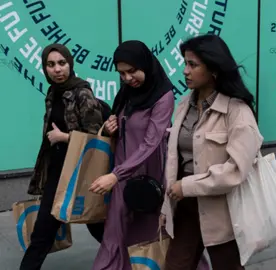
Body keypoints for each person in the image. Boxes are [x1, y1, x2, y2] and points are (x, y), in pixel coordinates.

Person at [160, 34, 263, 270]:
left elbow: (236, 171)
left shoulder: (237, 111)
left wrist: (186, 186)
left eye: (193, 65)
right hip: (185, 207)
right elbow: (175, 159)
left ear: (214, 69)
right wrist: (168, 204)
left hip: (223, 213)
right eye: (185, 63)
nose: (185, 71)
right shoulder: (185, 104)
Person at [89, 40, 175, 270]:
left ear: (145, 65)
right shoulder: (127, 94)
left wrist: (116, 175)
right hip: (122, 172)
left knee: (152, 233)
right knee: (115, 231)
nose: (127, 78)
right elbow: (124, 128)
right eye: (122, 73)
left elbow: (150, 143)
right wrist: (110, 127)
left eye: (132, 71)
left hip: (149, 175)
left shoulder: (163, 96)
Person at [20, 44, 105, 270]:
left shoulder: (83, 92)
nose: (57, 69)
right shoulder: (53, 92)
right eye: (51, 64)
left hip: (81, 171)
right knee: (43, 230)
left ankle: (127, 259)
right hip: (58, 171)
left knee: (97, 225)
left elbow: (95, 138)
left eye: (61, 63)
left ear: (70, 64)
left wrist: (64, 137)